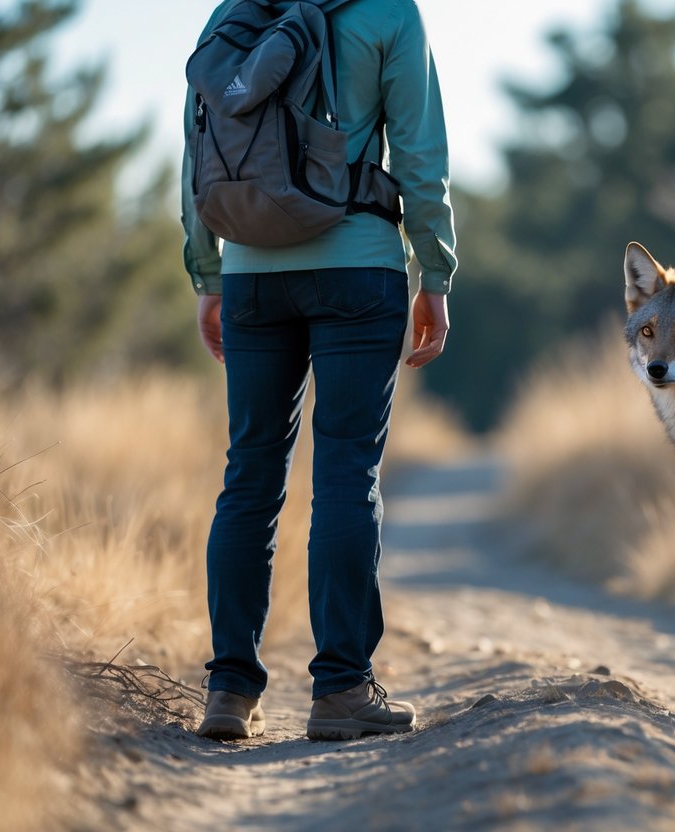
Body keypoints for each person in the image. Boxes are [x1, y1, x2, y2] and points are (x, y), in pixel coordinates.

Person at [180, 0, 456, 741]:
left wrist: (208, 273)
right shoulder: (387, 13)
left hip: (249, 278)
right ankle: (339, 689)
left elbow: (195, 145)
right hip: (356, 270)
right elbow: (420, 154)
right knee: (344, 473)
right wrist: (436, 272)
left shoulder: (235, 12)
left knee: (250, 474)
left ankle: (229, 690)